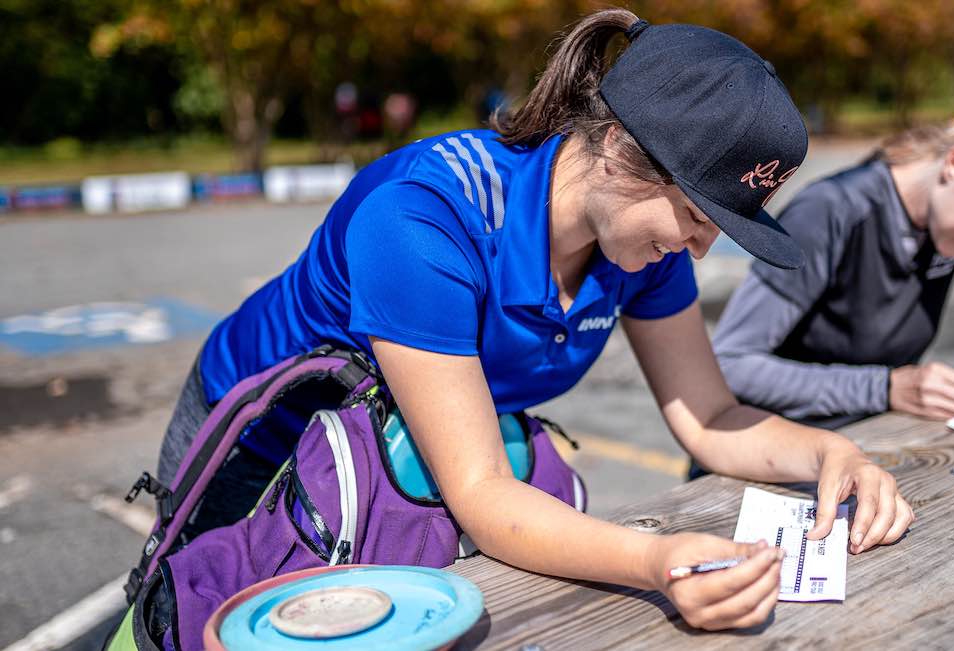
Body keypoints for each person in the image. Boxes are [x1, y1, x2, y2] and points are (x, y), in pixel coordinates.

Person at [155, 9, 912, 631]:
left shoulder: (644, 242)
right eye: (696, 214)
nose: (701, 247)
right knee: (188, 620)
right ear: (618, 149)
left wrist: (826, 454)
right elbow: (482, 496)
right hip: (261, 444)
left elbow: (709, 414)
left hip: (396, 469)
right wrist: (658, 561)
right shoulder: (423, 219)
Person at [713, 68, 954, 449]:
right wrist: (886, 388)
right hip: (767, 451)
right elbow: (732, 364)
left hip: (873, 441)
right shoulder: (832, 211)